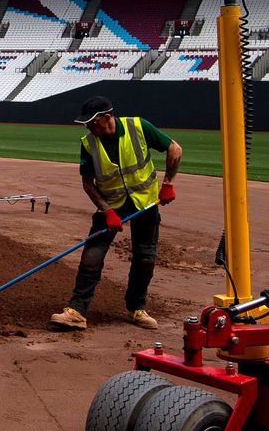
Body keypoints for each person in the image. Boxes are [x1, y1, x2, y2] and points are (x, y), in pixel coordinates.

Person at [51, 95, 181, 332]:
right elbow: (88, 183)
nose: (89, 128)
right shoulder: (89, 142)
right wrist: (107, 211)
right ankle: (77, 311)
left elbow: (174, 149)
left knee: (145, 258)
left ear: (107, 118)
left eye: (92, 123)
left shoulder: (139, 127)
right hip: (111, 205)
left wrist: (168, 183)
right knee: (92, 255)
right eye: (86, 124)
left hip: (145, 204)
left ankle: (136, 309)